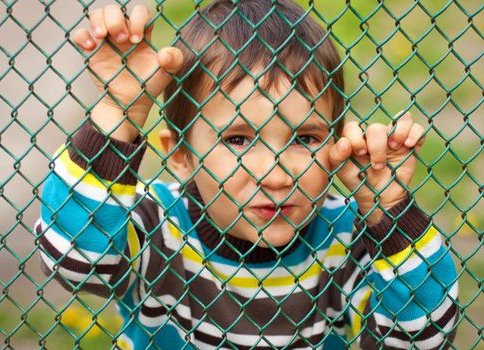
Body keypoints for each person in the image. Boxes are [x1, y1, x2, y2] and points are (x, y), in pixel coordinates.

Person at [36, 0, 459, 348]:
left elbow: (421, 340)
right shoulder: (157, 226)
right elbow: (76, 260)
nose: (275, 175)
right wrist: (118, 111)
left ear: (336, 147)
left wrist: (391, 213)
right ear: (181, 154)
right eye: (238, 139)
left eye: (306, 138)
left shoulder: (345, 236)